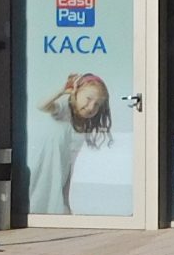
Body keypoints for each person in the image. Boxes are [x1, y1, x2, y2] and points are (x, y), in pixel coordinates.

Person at [27, 71, 111, 214]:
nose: (91, 107)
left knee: (58, 188)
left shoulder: (83, 123)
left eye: (96, 104)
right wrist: (62, 91)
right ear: (76, 94)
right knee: (39, 189)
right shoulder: (64, 107)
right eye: (88, 99)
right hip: (44, 161)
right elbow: (41, 106)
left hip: (61, 165)